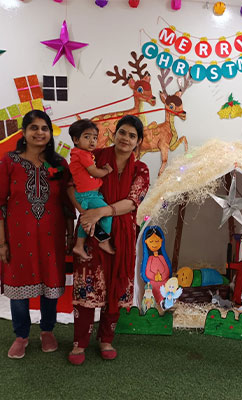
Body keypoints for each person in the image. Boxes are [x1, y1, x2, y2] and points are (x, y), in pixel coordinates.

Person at [68, 115, 149, 365]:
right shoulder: (94, 157)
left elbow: (133, 202)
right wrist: (85, 213)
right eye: (122, 132)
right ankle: (80, 342)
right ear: (115, 134)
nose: (126, 138)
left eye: (132, 135)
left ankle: (106, 339)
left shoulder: (141, 169)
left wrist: (101, 211)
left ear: (138, 141)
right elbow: (71, 186)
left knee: (116, 283)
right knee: (87, 286)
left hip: (121, 237)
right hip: (91, 230)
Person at [0, 109, 75, 359]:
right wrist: (2, 243)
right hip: (17, 238)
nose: (39, 133)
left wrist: (70, 235)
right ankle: (21, 335)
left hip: (52, 237)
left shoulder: (59, 164)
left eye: (44, 128)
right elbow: (0, 204)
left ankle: (47, 330)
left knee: (51, 284)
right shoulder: (9, 162)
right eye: (34, 128)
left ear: (50, 133)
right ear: (24, 132)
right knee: (17, 285)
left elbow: (68, 203)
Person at [68, 119, 114, 259]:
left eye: (94, 137)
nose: (92, 141)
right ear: (76, 140)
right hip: (88, 195)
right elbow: (94, 172)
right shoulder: (82, 154)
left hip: (86, 195)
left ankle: (79, 245)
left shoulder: (80, 154)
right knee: (107, 213)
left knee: (87, 219)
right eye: (87, 137)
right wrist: (106, 170)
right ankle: (104, 241)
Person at [140, 225, 172, 304]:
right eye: (151, 241)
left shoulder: (162, 257)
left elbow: (166, 268)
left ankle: (164, 302)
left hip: (164, 281)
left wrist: (162, 276)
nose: (154, 244)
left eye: (157, 241)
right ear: (146, 242)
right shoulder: (149, 259)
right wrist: (154, 276)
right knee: (152, 290)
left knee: (166, 289)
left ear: (161, 240)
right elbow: (147, 271)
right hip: (153, 282)